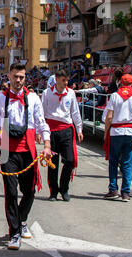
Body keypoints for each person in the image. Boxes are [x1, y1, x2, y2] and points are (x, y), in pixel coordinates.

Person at [0, 63, 52, 250]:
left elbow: (41, 122)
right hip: (7, 150)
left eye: (21, 77)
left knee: (29, 191)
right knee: (11, 193)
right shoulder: (0, 98)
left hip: (28, 149)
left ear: (25, 78)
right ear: (9, 77)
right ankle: (15, 232)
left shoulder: (34, 98)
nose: (18, 80)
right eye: (15, 76)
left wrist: (47, 144)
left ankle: (22, 219)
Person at [42, 70, 83, 202]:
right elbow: (42, 113)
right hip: (51, 130)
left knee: (70, 161)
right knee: (52, 163)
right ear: (57, 80)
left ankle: (64, 188)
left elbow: (75, 112)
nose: (66, 83)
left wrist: (79, 129)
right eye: (63, 80)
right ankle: (53, 191)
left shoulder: (71, 93)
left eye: (67, 80)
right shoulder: (47, 93)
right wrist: (40, 132)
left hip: (66, 130)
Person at [103, 74, 132, 202]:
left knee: (113, 161)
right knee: (127, 163)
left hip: (116, 131)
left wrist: (105, 132)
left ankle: (113, 190)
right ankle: (126, 193)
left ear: (120, 83)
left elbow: (109, 117)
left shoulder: (115, 96)